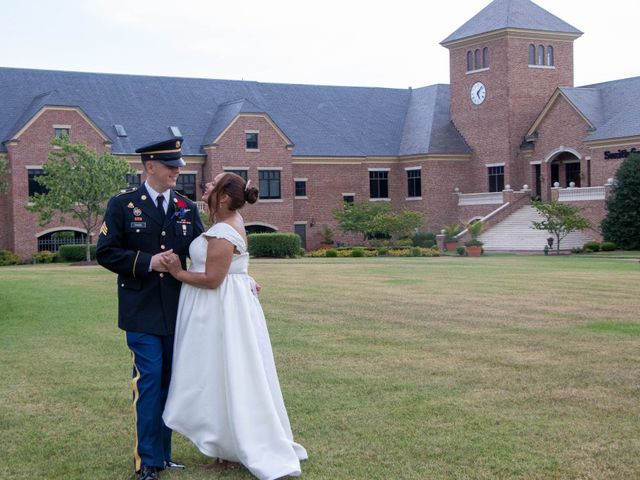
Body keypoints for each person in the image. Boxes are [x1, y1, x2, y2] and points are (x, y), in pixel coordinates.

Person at [161, 172, 308, 480]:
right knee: (220, 373)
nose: (206, 186)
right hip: (224, 308)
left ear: (224, 197)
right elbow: (233, 270)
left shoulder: (225, 231)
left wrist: (177, 272)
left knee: (227, 372)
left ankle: (237, 442)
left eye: (212, 184)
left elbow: (213, 279)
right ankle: (225, 444)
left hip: (221, 311)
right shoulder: (224, 225)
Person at [96, 137, 205, 480]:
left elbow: (203, 251)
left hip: (178, 310)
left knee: (171, 383)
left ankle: (165, 454)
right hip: (140, 311)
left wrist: (237, 277)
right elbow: (106, 251)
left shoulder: (187, 207)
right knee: (150, 380)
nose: (177, 171)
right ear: (150, 167)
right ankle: (148, 461)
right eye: (171, 166)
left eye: (178, 166)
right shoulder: (123, 205)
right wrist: (148, 261)